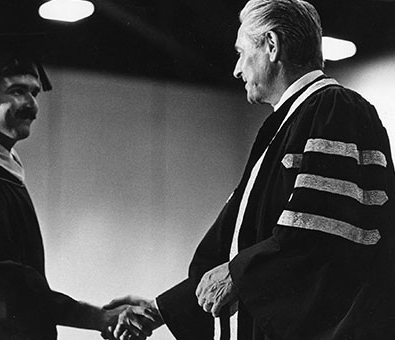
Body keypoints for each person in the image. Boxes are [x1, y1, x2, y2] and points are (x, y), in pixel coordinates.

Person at [105, 0, 395, 339]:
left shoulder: (334, 108)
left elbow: (323, 232)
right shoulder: (287, 124)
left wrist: (238, 275)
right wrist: (160, 309)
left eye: (242, 53)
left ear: (271, 45)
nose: (236, 69)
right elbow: (239, 252)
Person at [0, 33, 157, 340]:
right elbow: (1, 286)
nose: (32, 106)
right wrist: (96, 317)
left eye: (35, 93)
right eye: (17, 91)